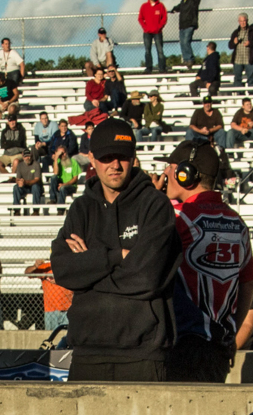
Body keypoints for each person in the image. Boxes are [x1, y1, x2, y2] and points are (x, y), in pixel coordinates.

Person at [49, 119, 181, 382]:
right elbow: (63, 270)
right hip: (86, 353)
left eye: (122, 157)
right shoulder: (81, 209)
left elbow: (147, 278)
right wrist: (115, 256)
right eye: (107, 157)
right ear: (92, 158)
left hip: (143, 354)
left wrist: (89, 269)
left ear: (133, 158)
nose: (115, 165)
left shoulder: (155, 206)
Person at [161, 141, 253, 382]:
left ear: (185, 174)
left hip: (179, 346)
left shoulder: (176, 217)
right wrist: (231, 334)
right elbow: (248, 284)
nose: (164, 173)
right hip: (218, 347)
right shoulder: (237, 222)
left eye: (170, 168)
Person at [139, 0, 168, 72]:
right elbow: (140, 18)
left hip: (158, 32)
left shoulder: (160, 6)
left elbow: (164, 18)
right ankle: (149, 67)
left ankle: (162, 68)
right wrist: (145, 27)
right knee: (147, 51)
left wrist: (159, 27)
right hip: (147, 32)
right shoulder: (144, 6)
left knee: (160, 50)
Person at [171, 0, 202, 67]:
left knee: (186, 41)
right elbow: (178, 7)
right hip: (182, 26)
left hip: (190, 25)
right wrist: (174, 9)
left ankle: (190, 59)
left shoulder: (193, 1)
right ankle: (186, 59)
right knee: (182, 43)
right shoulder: (182, 2)